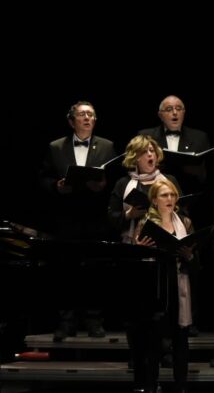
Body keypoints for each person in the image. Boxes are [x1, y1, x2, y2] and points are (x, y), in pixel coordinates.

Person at [41, 100, 117, 340]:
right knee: (65, 271)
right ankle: (66, 321)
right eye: (82, 114)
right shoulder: (56, 147)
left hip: (96, 217)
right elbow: (43, 179)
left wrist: (102, 186)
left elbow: (115, 179)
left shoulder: (107, 146)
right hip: (66, 218)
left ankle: (95, 320)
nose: (87, 118)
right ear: (71, 120)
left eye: (91, 115)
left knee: (95, 270)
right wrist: (57, 186)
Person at [134, 179, 197, 393]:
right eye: (164, 195)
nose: (169, 199)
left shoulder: (185, 223)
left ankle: (181, 387)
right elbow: (137, 263)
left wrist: (189, 256)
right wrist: (139, 249)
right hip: (157, 289)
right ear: (154, 200)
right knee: (154, 342)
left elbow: (197, 261)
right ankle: (151, 386)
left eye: (172, 195)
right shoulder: (146, 223)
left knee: (181, 341)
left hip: (180, 285)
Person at [109, 135, 178, 245]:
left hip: (168, 239)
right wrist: (129, 215)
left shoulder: (169, 180)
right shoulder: (123, 183)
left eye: (152, 150)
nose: (150, 154)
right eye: (144, 152)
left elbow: (182, 212)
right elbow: (112, 217)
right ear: (135, 158)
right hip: (135, 243)